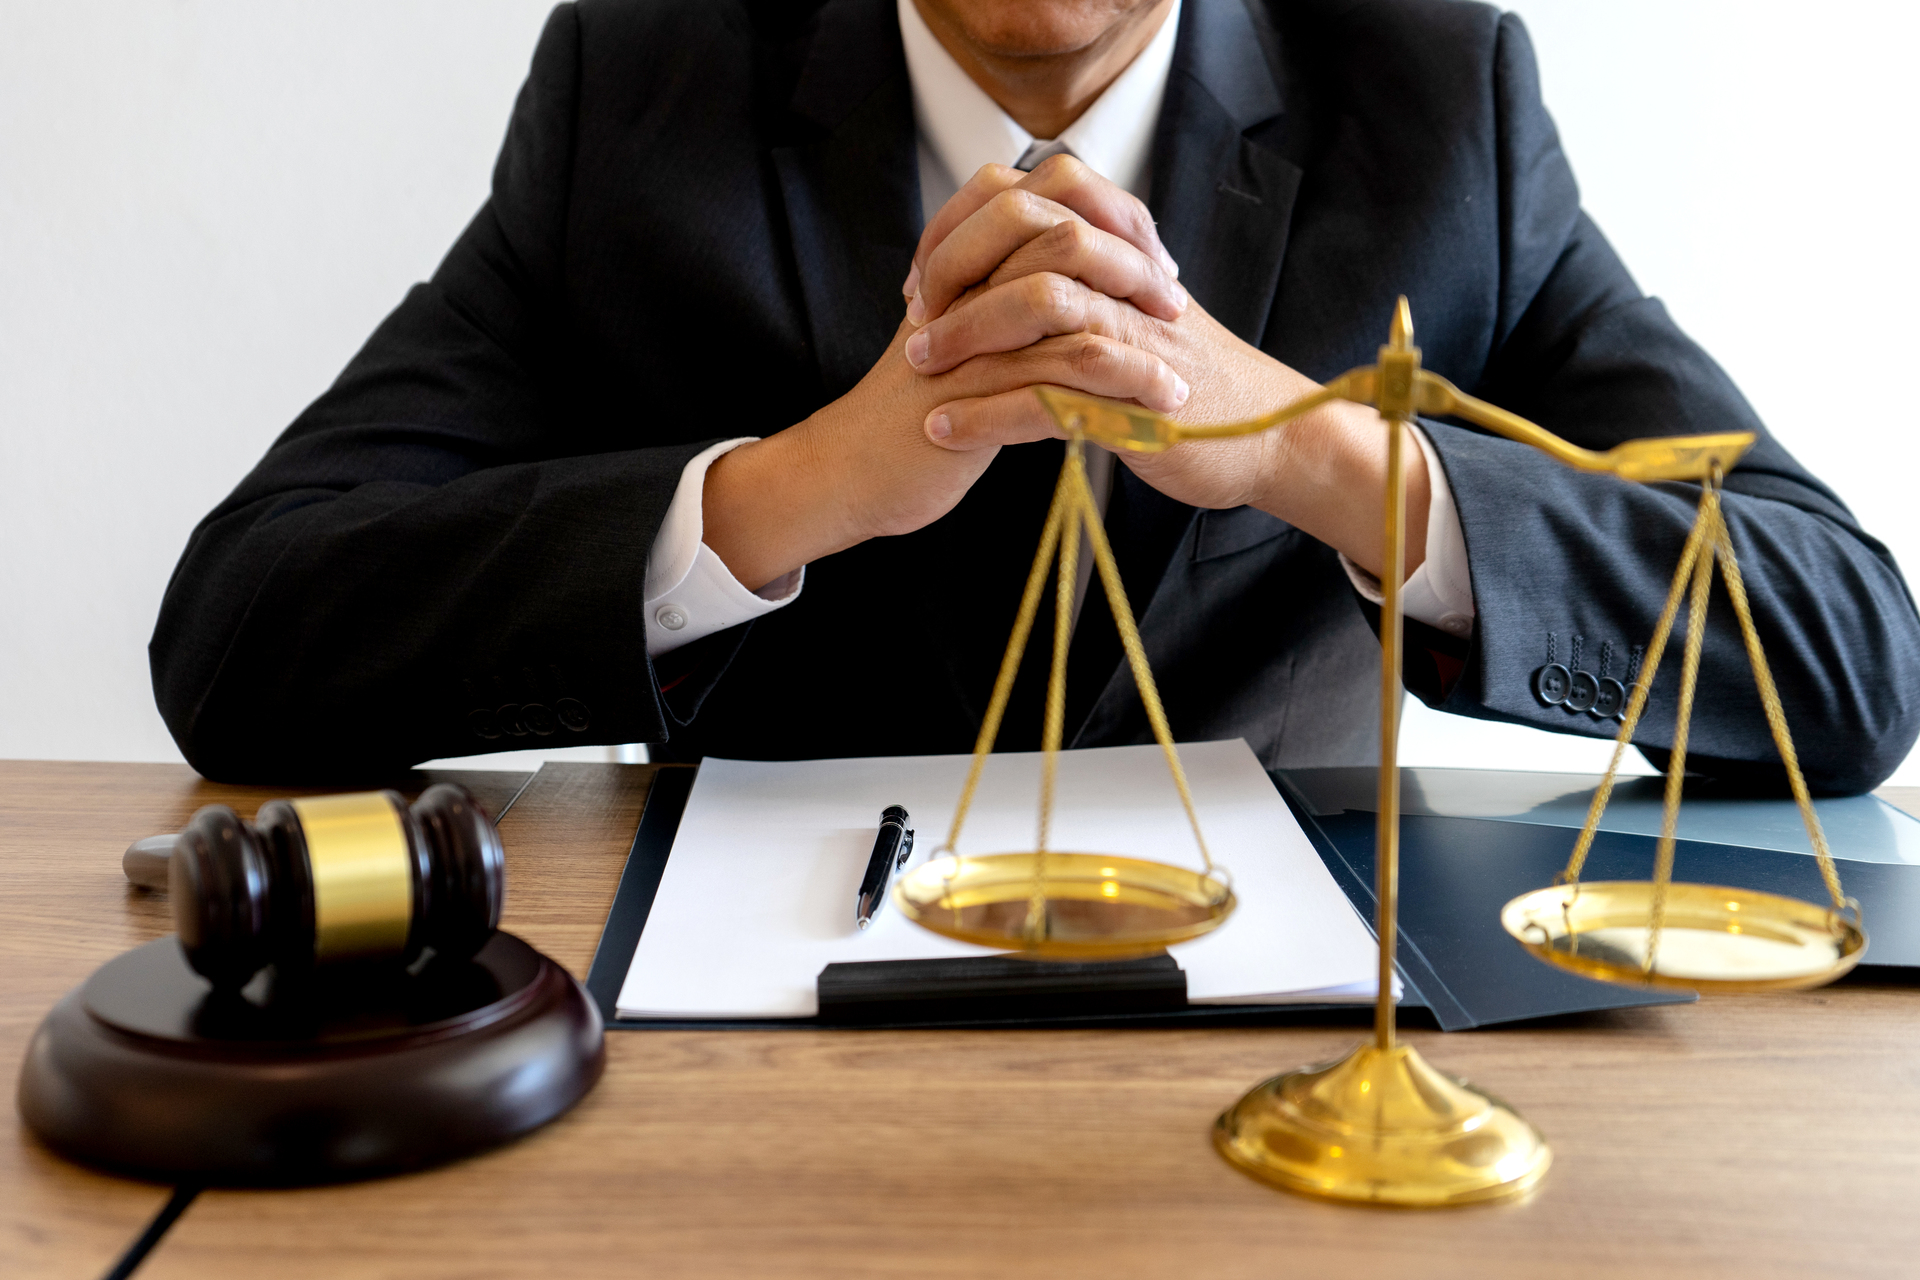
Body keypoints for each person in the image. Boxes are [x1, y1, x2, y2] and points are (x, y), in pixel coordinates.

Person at [151, 0, 1920, 791]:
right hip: (737, 1096)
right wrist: (782, 497)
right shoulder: (638, 83)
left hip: (1293, 1065)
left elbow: (1850, 653)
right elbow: (240, 633)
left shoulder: (1439, 96)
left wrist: (1306, 451)